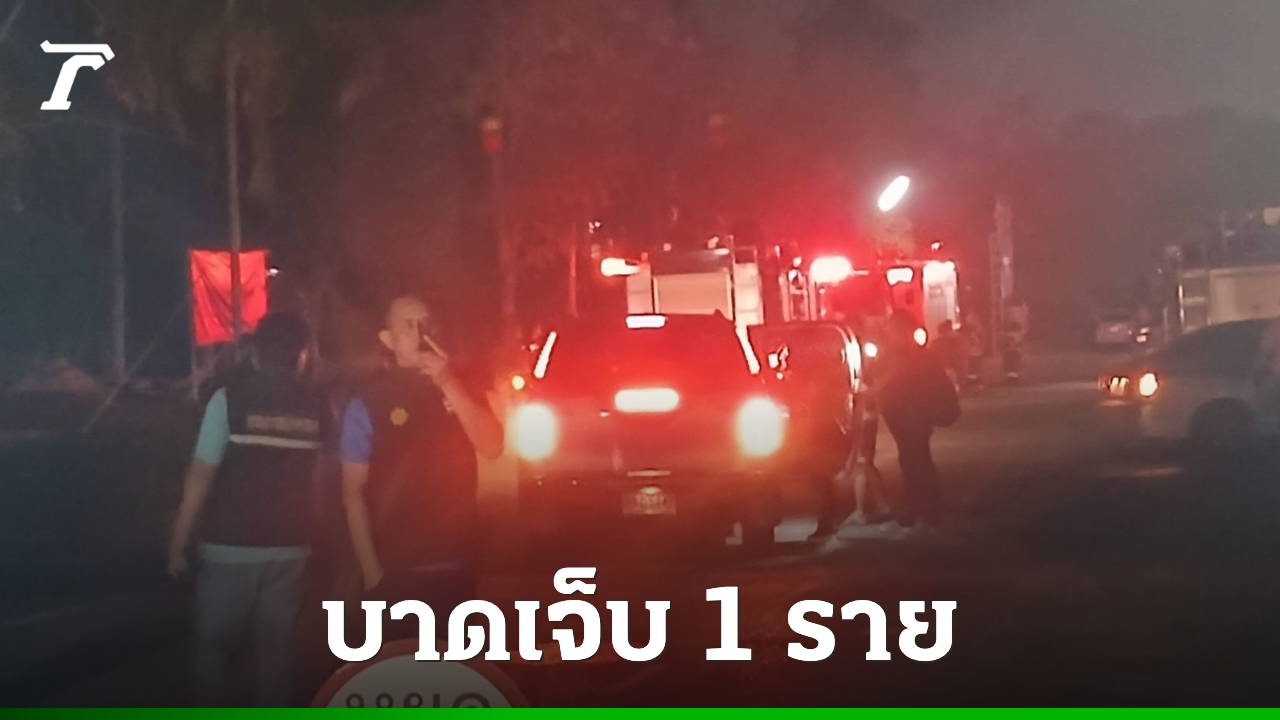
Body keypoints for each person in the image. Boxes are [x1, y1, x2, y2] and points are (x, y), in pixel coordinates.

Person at [168, 313, 332, 707]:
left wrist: (178, 541)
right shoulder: (318, 406)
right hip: (292, 549)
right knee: (278, 656)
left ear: (255, 353)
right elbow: (324, 480)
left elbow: (201, 474)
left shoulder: (229, 400)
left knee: (214, 650)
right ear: (302, 356)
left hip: (230, 548)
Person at [340, 294, 504, 642]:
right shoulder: (369, 400)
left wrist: (448, 383)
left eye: (425, 324)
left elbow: (492, 446)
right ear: (388, 339)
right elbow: (353, 492)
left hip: (457, 560)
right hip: (396, 566)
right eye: (408, 326)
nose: (419, 333)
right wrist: (372, 573)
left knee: (453, 669)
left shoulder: (464, 386)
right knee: (400, 670)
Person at [877, 310, 958, 531]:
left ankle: (924, 507)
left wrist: (875, 392)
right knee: (915, 459)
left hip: (912, 417)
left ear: (902, 330)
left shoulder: (907, 356)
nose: (889, 334)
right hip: (911, 417)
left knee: (914, 461)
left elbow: (891, 381)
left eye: (892, 329)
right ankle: (925, 506)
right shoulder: (916, 355)